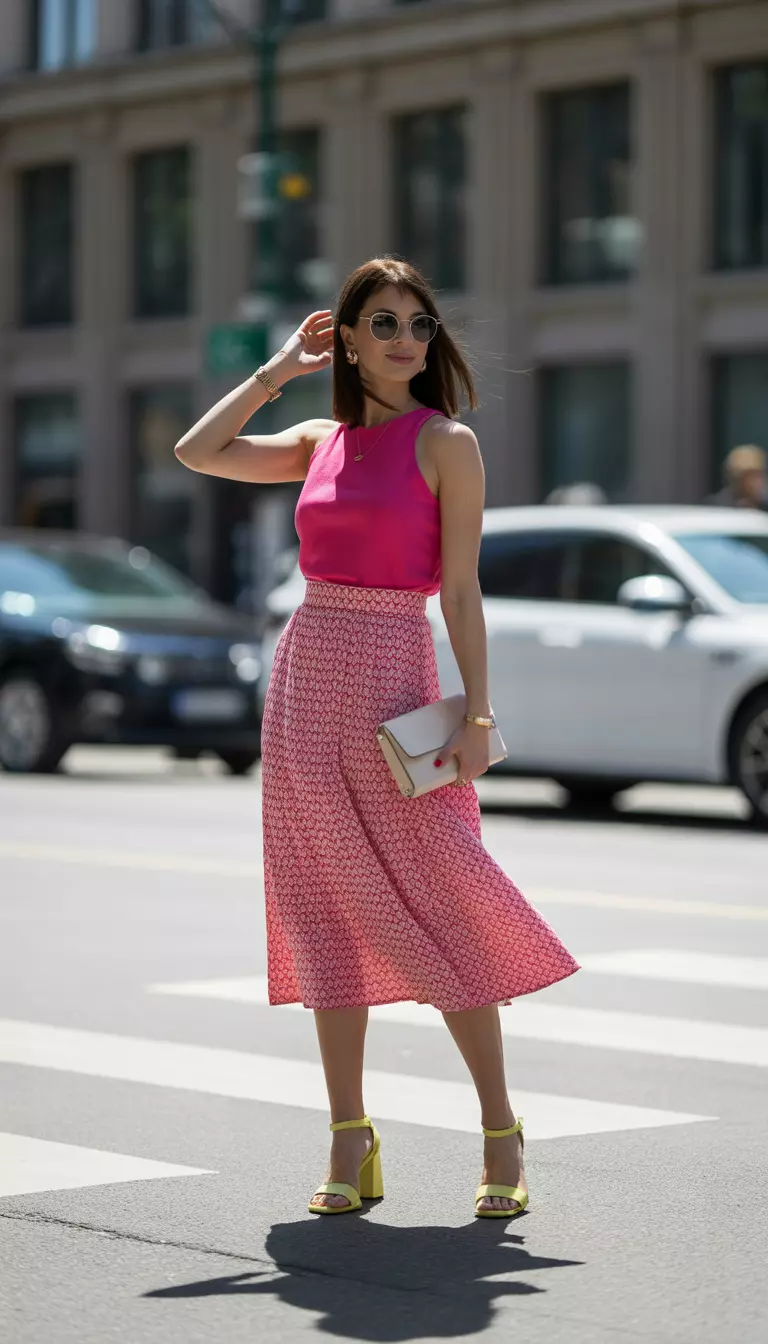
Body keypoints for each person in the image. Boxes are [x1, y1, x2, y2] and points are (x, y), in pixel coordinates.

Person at [175, 257, 580, 1221]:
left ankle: (500, 1131)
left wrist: (477, 715)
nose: (406, 340)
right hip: (306, 679)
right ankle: (349, 1137)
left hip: (396, 680)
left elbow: (462, 594)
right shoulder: (319, 441)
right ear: (348, 340)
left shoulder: (446, 443)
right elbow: (198, 450)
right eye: (385, 323)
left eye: (419, 325)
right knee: (322, 912)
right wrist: (280, 368)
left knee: (443, 901)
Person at [706, 444, 768, 512]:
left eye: (760, 475)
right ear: (737, 479)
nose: (758, 482)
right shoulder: (714, 507)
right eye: (752, 476)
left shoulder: (764, 507)